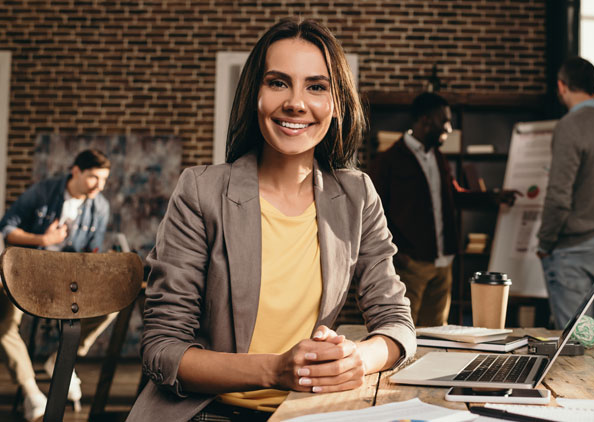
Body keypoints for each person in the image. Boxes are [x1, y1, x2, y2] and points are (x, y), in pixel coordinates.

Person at [126, 18, 415, 422]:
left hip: (307, 412)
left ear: (336, 105)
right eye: (278, 82)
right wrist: (276, 370)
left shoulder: (357, 195)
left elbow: (396, 321)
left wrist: (360, 358)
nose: (296, 102)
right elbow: (161, 349)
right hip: (209, 413)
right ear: (254, 96)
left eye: (316, 86)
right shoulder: (200, 191)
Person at [0, 148, 112, 421]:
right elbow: (6, 228)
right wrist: (43, 241)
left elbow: (91, 252)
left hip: (67, 281)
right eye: (94, 178)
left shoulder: (100, 207)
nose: (100, 185)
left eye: (104, 179)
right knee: (3, 324)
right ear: (75, 171)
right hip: (24, 276)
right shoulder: (42, 192)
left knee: (111, 306)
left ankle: (61, 359)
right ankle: (31, 392)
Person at [536, 57, 594, 332]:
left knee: (574, 347)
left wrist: (545, 244)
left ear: (561, 86)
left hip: (571, 248)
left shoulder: (570, 126)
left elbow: (558, 195)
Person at [369, 92, 458, 327]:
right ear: (426, 120)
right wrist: (398, 254)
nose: (449, 128)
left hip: (443, 262)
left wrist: (493, 197)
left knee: (438, 333)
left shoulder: (439, 158)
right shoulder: (388, 160)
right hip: (411, 263)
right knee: (404, 330)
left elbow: (453, 195)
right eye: (444, 121)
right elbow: (373, 212)